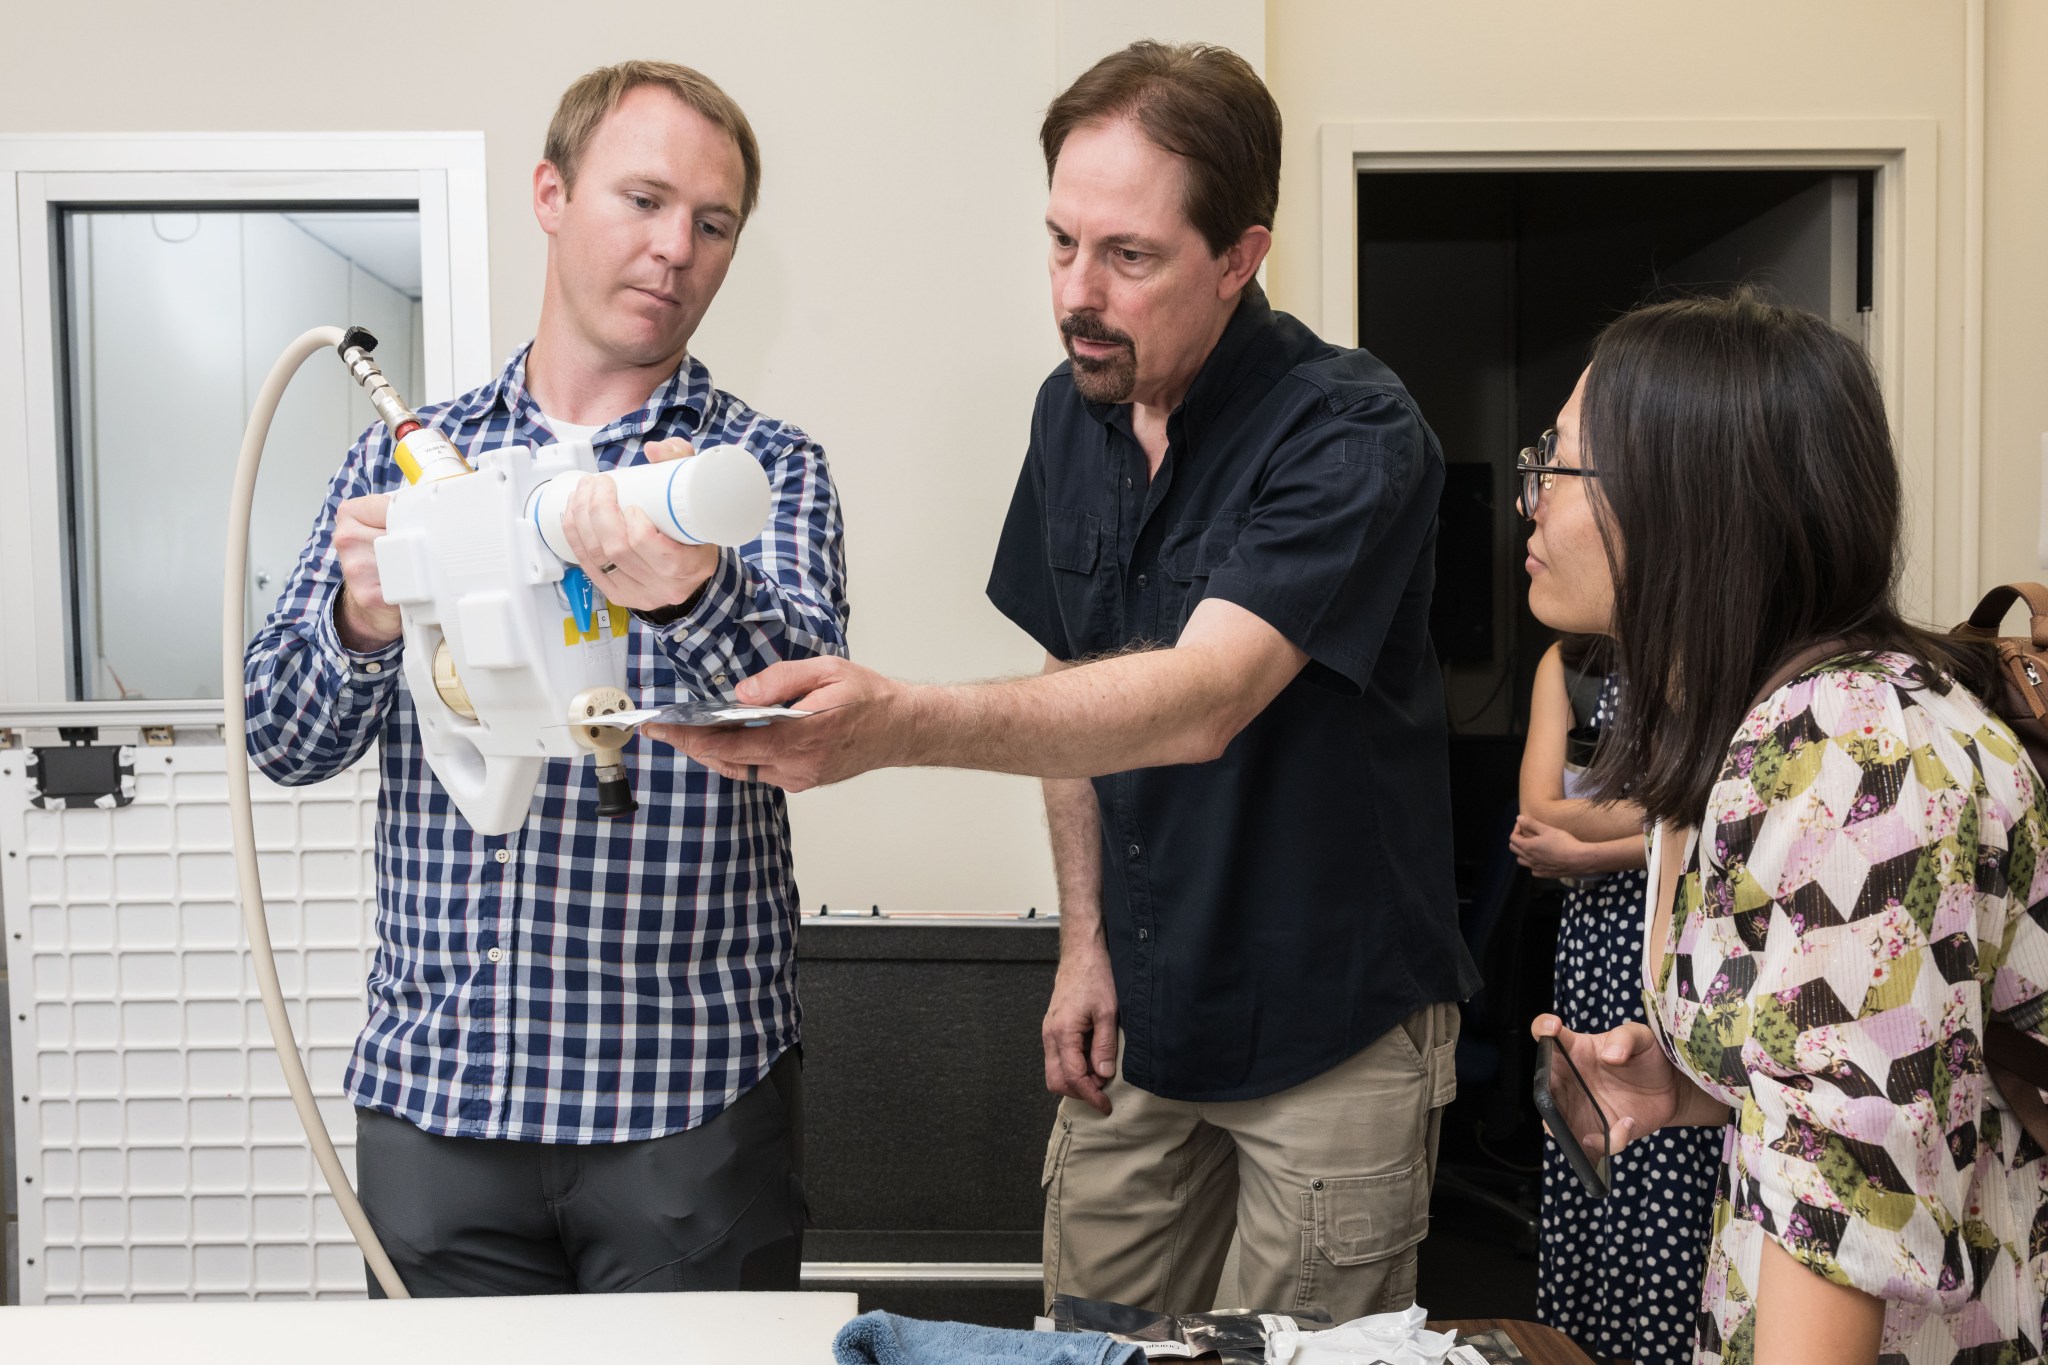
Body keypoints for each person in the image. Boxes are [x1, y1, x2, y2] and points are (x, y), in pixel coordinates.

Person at [653, 41, 1476, 1320]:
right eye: (1057, 243)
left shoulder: (1350, 431)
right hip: (1145, 1019)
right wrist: (1083, 942)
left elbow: (1200, 699)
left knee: (1303, 1359)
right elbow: (1069, 676)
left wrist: (903, 723)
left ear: (1238, 258)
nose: (1075, 294)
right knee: (1083, 1344)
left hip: (1333, 1028)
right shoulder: (1069, 411)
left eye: (1127, 257)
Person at [242, 60, 847, 1296]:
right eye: (642, 199)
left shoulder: (759, 471)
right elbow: (283, 735)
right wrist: (363, 616)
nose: (676, 246)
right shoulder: (408, 459)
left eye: (713, 221)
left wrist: (689, 585)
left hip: (685, 1105)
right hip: (441, 1094)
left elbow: (803, 728)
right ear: (551, 195)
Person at [1524, 291, 2048, 1364]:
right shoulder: (1767, 730)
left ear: (1679, 504)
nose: (1528, 500)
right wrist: (1693, 1084)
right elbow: (1891, 1079)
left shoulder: (1856, 763)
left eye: (1559, 463)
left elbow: (1848, 1225)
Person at [1513, 635, 1718, 1365]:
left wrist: (1593, 848)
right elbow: (1537, 809)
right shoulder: (1566, 661)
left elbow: (1714, 805)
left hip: (1675, 928)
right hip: (1594, 937)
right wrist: (1658, 817)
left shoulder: (1706, 644)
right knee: (1594, 1131)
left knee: (1671, 1153)